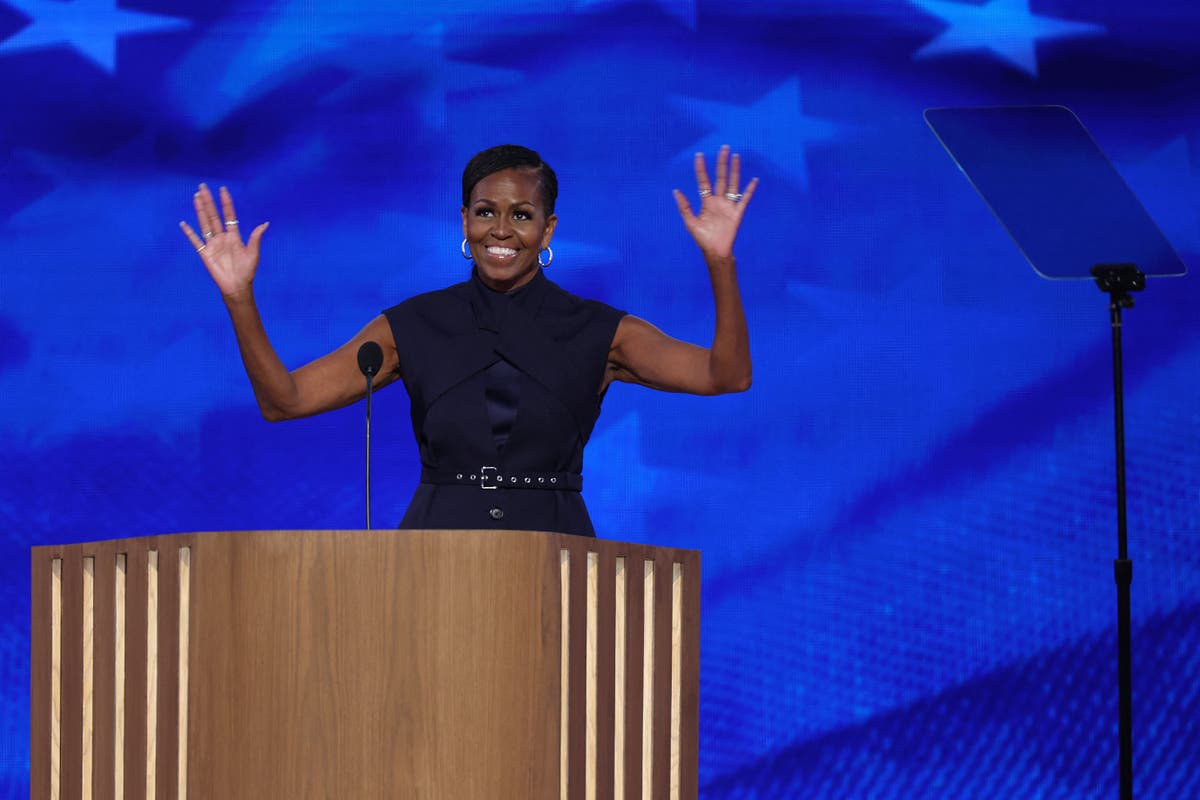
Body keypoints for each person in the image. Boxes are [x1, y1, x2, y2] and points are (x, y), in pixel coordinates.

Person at [180, 144, 756, 536]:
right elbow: (285, 401)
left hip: (554, 551)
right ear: (463, 220)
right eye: (485, 212)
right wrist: (239, 297)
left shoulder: (602, 332)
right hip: (435, 552)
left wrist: (721, 261)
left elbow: (725, 375)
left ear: (548, 229)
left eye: (521, 215)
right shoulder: (411, 326)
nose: (501, 230)